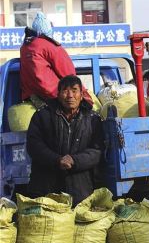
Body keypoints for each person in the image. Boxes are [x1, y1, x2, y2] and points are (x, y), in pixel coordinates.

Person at [26, 75, 104, 206]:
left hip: (80, 190)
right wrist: (57, 160)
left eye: (74, 90)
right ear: (58, 94)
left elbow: (97, 151)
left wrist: (74, 160)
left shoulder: (92, 118)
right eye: (65, 91)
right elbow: (34, 146)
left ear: (81, 94)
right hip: (46, 189)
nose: (70, 95)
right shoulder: (42, 115)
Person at [20, 12, 92, 108]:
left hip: (32, 98)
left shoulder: (25, 47)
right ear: (48, 30)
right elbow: (69, 75)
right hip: (53, 96)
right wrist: (86, 98)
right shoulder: (50, 46)